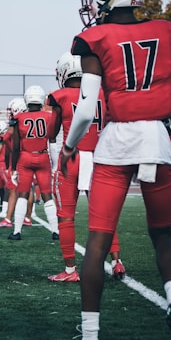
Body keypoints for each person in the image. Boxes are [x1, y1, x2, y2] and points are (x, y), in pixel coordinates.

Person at [60, 0, 171, 340]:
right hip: (157, 139)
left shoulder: (95, 38)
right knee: (163, 235)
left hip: (116, 142)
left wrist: (68, 148)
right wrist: (165, 128)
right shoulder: (169, 32)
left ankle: (90, 339)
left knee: (98, 243)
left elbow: (85, 111)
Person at [47, 52, 125, 282]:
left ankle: (70, 270)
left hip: (72, 158)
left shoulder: (59, 96)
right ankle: (117, 261)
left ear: (63, 71)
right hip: (101, 158)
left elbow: (52, 132)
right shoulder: (103, 93)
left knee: (66, 217)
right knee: (106, 215)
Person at [8, 85, 59, 240]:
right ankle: (55, 231)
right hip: (43, 157)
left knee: (22, 194)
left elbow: (16, 147)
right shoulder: (49, 116)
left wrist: (14, 168)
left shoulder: (18, 118)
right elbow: (52, 141)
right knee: (46, 195)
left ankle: (17, 231)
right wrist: (55, 165)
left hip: (25, 157)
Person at [0, 98, 35, 228]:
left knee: (15, 190)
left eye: (11, 110)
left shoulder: (17, 123)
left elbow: (8, 139)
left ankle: (10, 218)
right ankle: (24, 217)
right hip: (23, 157)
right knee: (24, 189)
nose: (10, 113)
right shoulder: (26, 121)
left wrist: (0, 137)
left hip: (21, 158)